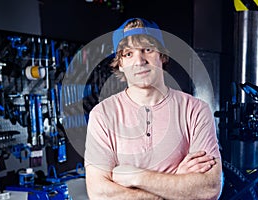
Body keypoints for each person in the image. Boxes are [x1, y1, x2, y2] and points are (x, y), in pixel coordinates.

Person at [84, 17, 223, 199]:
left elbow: (209, 188)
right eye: (128, 54)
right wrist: (177, 182)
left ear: (162, 55)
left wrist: (136, 176)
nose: (139, 61)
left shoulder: (195, 111)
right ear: (120, 64)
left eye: (147, 50)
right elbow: (99, 193)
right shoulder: (103, 115)